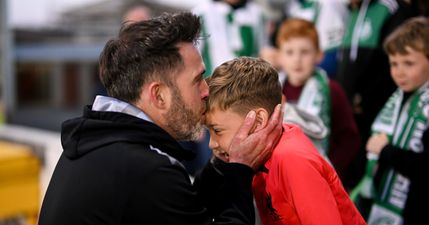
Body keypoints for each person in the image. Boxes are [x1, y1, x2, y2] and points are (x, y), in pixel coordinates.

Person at [37, 12, 283, 225]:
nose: (207, 90)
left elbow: (181, 210)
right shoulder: (144, 171)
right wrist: (240, 170)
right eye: (197, 80)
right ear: (159, 95)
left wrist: (223, 161)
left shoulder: (103, 145)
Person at [205, 56, 366, 225]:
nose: (212, 143)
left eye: (217, 131)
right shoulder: (259, 159)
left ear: (258, 122)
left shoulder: (292, 160)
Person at [352, 17, 429, 225]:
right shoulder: (396, 96)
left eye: (409, 63)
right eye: (394, 63)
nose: (399, 72)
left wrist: (386, 152)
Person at [336, 0, 418, 188]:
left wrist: (363, 96)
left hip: (376, 107)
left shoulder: (389, 7)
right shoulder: (353, 11)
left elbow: (394, 60)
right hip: (351, 108)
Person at [275, 18, 360, 188]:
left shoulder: (331, 89)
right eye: (290, 52)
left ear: (319, 55)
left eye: (305, 52)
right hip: (282, 179)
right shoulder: (274, 91)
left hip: (322, 179)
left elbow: (350, 139)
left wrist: (328, 169)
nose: (297, 59)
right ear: (280, 57)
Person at [193, 0, 268, 76]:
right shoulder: (202, 12)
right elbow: (193, 55)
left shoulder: (256, 13)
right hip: (212, 83)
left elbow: (262, 50)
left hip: (248, 82)